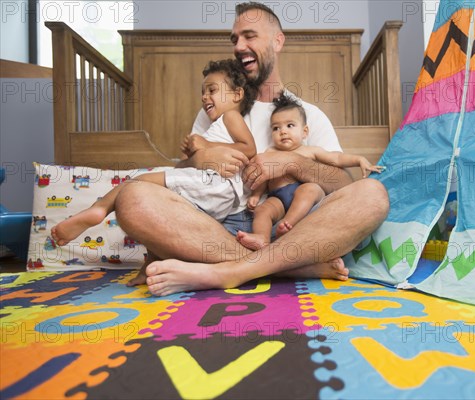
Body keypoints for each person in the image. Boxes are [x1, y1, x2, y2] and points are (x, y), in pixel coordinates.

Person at [113, 2, 389, 296]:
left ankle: (231, 271)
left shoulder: (306, 114)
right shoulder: (217, 109)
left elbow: (343, 185)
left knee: (373, 195)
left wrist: (291, 164)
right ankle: (284, 268)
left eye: (249, 36)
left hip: (295, 231)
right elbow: (180, 180)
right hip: (223, 231)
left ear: (277, 40)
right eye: (234, 39)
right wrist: (202, 158)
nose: (239, 46)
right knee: (132, 199)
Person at [50, 59, 257, 273]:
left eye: (212, 90)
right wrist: (194, 154)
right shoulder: (212, 125)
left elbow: (249, 148)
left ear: (237, 94)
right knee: (163, 216)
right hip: (211, 193)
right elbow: (190, 164)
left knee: (140, 181)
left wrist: (207, 145)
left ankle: (100, 208)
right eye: (202, 92)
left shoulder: (231, 116)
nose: (205, 97)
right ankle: (152, 262)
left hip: (216, 185)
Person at [237, 94, 384, 250]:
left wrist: (358, 160)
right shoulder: (270, 152)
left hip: (304, 194)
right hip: (278, 197)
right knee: (262, 210)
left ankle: (288, 224)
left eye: (290, 125)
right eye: (276, 128)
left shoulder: (310, 151)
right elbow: (264, 177)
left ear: (305, 131)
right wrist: (256, 195)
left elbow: (336, 159)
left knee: (310, 189)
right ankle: (262, 237)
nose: (283, 132)